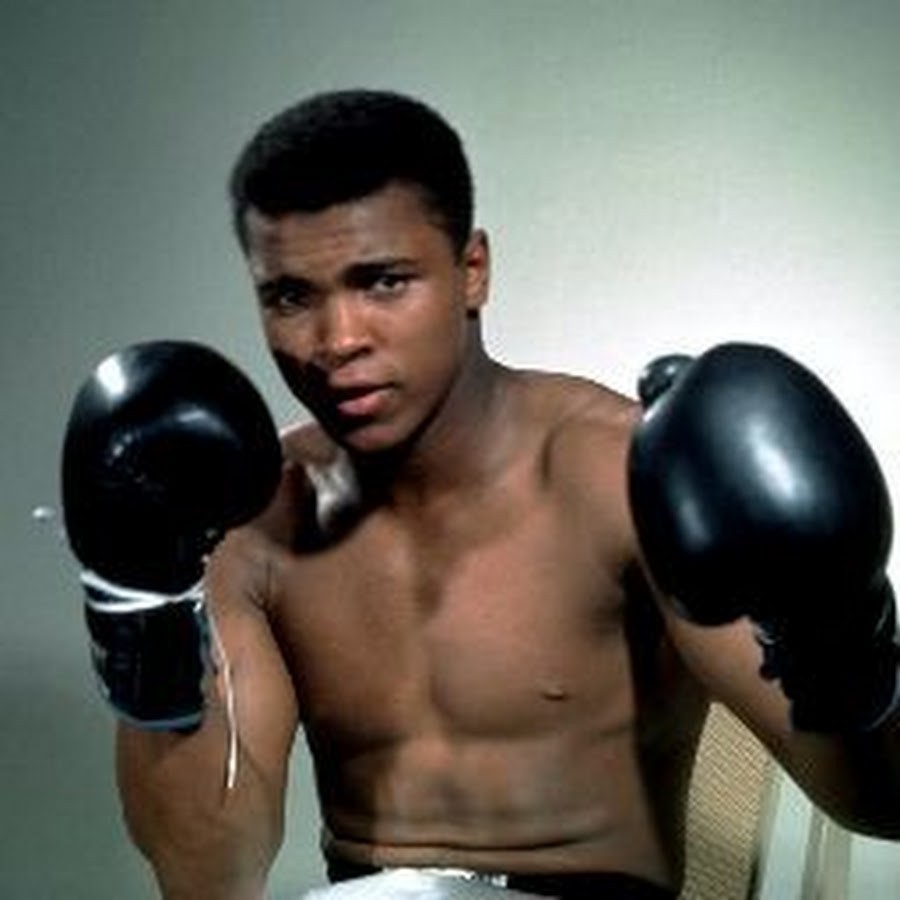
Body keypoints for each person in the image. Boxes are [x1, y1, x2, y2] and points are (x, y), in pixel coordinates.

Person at [67, 89, 900, 900]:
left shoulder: (617, 479)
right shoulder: (250, 521)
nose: (337, 339)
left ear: (472, 271)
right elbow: (208, 878)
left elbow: (883, 803)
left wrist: (841, 635)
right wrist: (141, 604)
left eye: (383, 281)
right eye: (291, 296)